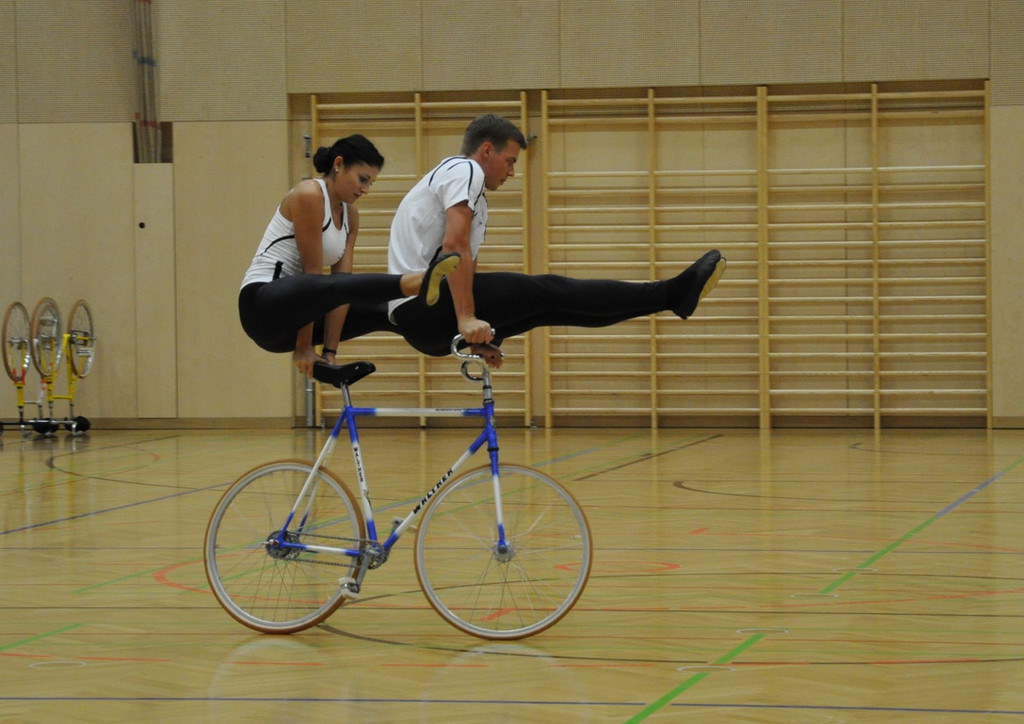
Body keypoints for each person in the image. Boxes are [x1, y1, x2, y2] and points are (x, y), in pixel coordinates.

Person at [386, 114, 726, 367]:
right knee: (549, 289)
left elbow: (466, 266)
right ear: (487, 150)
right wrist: (466, 319)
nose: (512, 172)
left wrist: (476, 338)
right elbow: (454, 249)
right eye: (510, 161)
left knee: (552, 308)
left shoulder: (473, 198)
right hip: (424, 305)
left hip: (425, 322)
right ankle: (670, 293)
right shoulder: (464, 170)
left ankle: (668, 300)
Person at [238, 134, 459, 377]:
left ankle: (449, 338)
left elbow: (342, 286)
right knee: (330, 286)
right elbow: (311, 274)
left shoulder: (351, 216)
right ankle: (413, 282)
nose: (366, 189)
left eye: (371, 183)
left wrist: (330, 352)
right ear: (339, 164)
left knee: (386, 310)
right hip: (263, 307)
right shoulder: (309, 194)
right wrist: (304, 347)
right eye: (362, 179)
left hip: (293, 323)